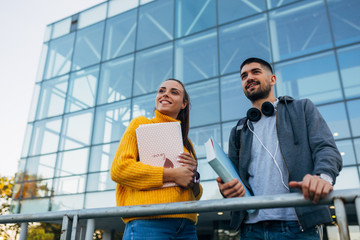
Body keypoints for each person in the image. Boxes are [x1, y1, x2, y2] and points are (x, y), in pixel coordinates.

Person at [217, 57, 342, 239]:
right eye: (244, 76)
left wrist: (322, 178)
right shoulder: (238, 130)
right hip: (251, 229)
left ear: (273, 79)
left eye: (255, 72)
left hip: (298, 227)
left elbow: (326, 148)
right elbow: (234, 178)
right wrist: (226, 189)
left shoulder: (302, 109)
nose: (248, 78)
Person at [111, 79, 202, 240]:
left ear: (184, 104)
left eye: (174, 92)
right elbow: (120, 169)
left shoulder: (187, 144)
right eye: (161, 90)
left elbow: (195, 194)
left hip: (187, 226)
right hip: (148, 221)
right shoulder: (140, 124)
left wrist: (193, 178)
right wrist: (173, 175)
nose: (165, 94)